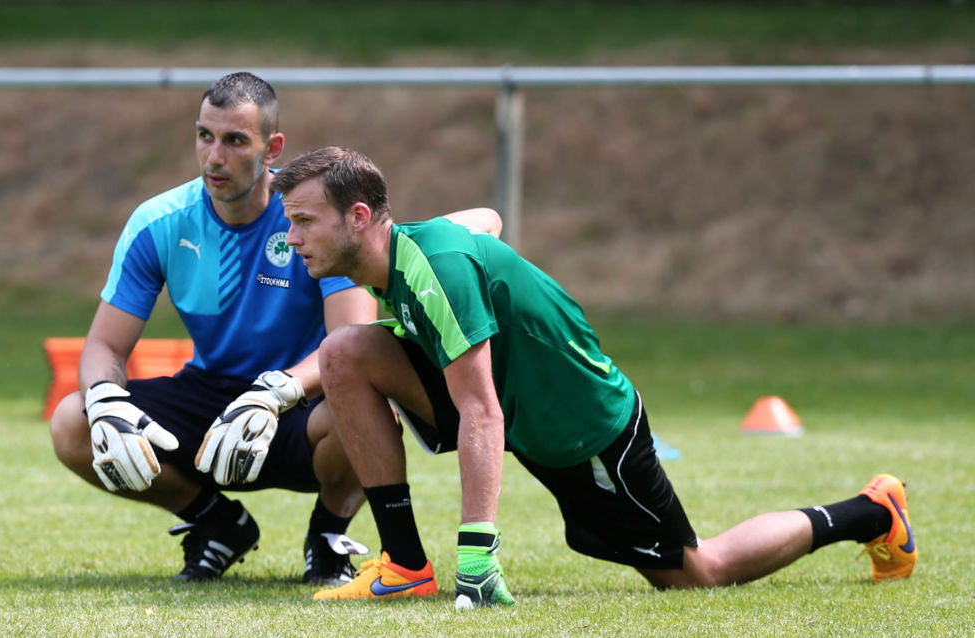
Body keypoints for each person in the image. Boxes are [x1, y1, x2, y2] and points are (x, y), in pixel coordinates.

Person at [269, 146, 917, 607]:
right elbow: (485, 220)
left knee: (695, 572)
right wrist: (282, 391)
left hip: (585, 430)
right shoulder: (409, 251)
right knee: (344, 353)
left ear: (359, 217)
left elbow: (482, 414)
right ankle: (406, 564)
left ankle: (869, 513)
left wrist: (476, 557)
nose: (292, 238)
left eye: (303, 220)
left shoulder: (434, 271)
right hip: (526, 413)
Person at [48, 72, 380, 585]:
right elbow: (104, 345)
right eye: (205, 135)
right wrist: (105, 400)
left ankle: (328, 538)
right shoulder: (158, 222)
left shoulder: (318, 216)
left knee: (367, 403)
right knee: (75, 421)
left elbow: (353, 344)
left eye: (234, 140)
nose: (214, 157)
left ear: (272, 148)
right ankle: (217, 522)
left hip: (300, 400)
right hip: (208, 398)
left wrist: (275, 393)